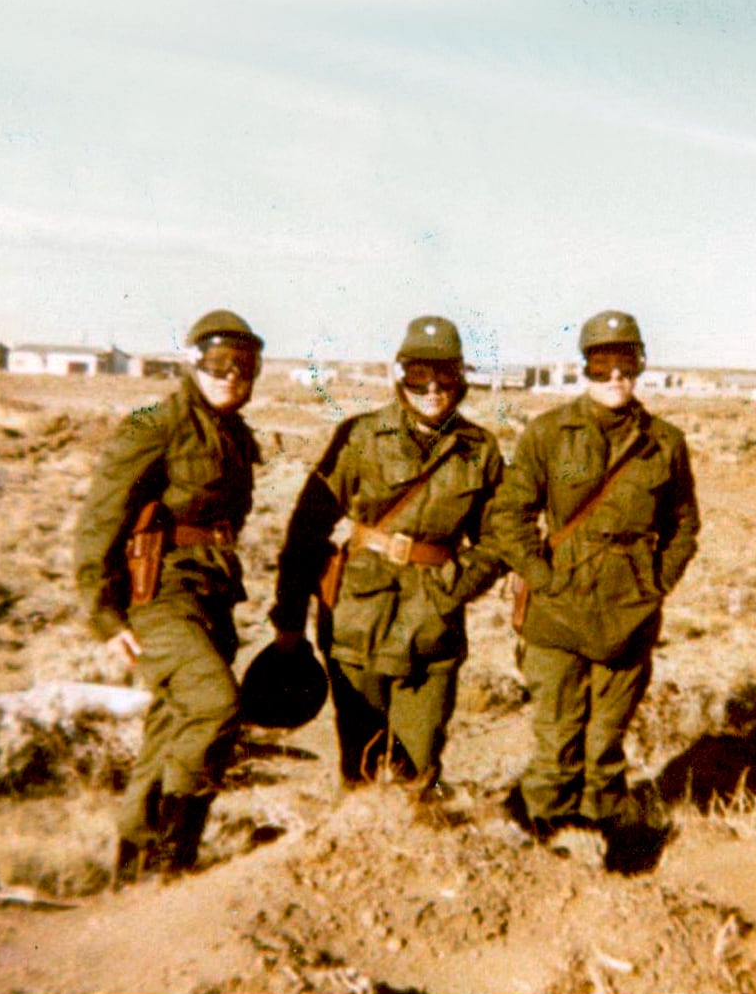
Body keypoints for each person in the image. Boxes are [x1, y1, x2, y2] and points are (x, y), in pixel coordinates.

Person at [269, 315, 506, 793]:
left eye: (446, 374)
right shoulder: (360, 437)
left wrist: (454, 589)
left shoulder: (480, 450)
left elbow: (500, 537)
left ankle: (410, 849)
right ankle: (358, 850)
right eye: (420, 374)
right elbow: (307, 527)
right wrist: (289, 618)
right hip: (359, 615)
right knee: (358, 759)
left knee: (417, 766)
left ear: (461, 378)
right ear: (401, 374)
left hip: (433, 625)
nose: (433, 387)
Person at [489, 310, 700, 839]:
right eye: (602, 365)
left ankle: (603, 838)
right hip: (557, 610)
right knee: (557, 737)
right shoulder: (549, 433)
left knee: (605, 740)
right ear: (584, 368)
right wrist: (542, 577)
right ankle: (541, 836)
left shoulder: (664, 443)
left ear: (640, 367)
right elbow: (510, 514)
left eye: (625, 365)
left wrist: (656, 585)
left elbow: (684, 525)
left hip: (627, 610)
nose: (614, 378)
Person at [74, 310, 265, 884]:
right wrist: (104, 614)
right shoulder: (154, 422)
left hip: (209, 595)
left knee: (170, 729)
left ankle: (134, 867)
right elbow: (101, 516)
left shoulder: (234, 433)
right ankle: (174, 854)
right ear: (194, 362)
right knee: (214, 705)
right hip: (156, 595)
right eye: (218, 363)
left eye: (244, 365)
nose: (231, 376)